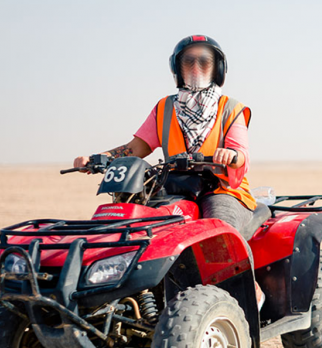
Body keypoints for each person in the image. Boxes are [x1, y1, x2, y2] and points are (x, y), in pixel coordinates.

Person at [72, 34, 263, 307]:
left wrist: (230, 155)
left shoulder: (231, 108)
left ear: (217, 68)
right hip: (176, 188)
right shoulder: (165, 107)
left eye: (204, 61)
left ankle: (249, 293)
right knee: (140, 228)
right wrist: (99, 158)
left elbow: (241, 153)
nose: (196, 66)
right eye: (188, 60)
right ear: (178, 68)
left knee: (221, 232)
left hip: (222, 189)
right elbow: (135, 148)